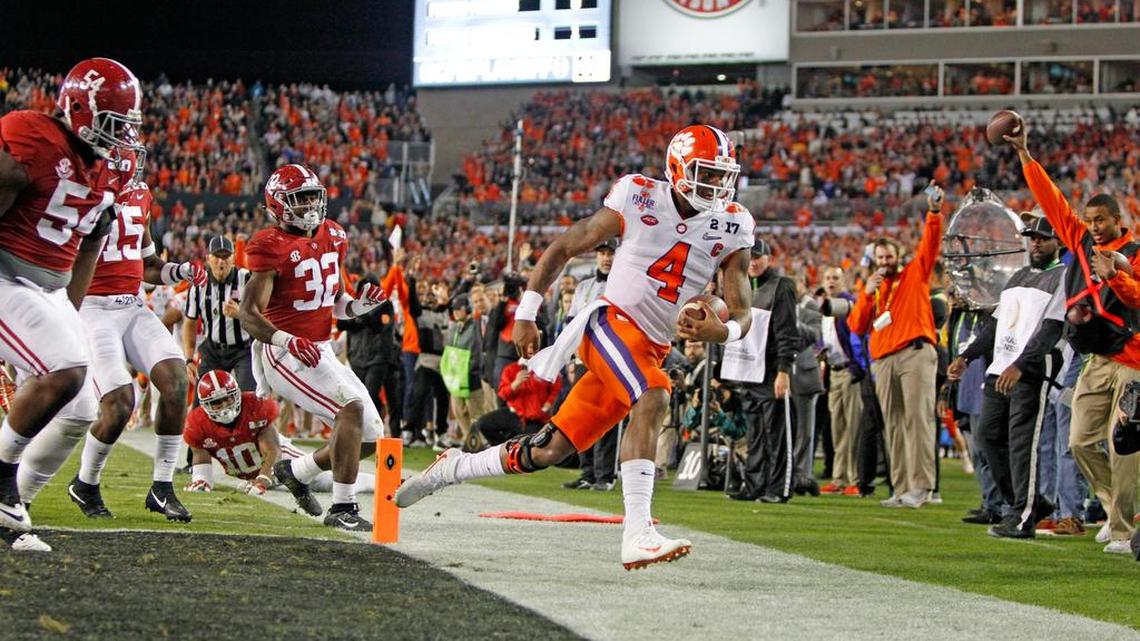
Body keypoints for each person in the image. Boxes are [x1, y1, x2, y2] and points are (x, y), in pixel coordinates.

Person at [397, 125, 755, 570]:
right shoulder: (638, 195)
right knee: (654, 395)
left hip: (650, 348)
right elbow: (564, 246)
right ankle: (638, 532)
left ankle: (453, 467)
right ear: (677, 167)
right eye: (706, 172)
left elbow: (741, 309)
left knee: (548, 451)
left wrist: (721, 332)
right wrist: (527, 313)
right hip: (609, 323)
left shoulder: (734, 223)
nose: (716, 185)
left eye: (723, 175)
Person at [19, 131, 206, 524]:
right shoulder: (81, 192)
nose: (129, 163)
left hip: (132, 304)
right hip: (91, 307)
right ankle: (85, 482)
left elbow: (149, 265)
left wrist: (181, 270)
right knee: (120, 403)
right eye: (121, 154)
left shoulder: (141, 196)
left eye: (132, 155)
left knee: (175, 381)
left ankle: (162, 486)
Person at [0, 58, 137, 549]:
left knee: (80, 406)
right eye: (112, 124)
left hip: (45, 288)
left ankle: (15, 504)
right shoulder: (30, 134)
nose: (118, 137)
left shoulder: (102, 171)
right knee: (65, 366)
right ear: (79, 109)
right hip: (4, 273)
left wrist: (64, 315)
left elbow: (88, 248)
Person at [1006, 123, 1140, 554]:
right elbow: (1051, 200)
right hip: (1095, 359)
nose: (1094, 227)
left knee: (1123, 447)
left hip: (1133, 360)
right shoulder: (1080, 242)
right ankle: (1115, 508)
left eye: (1101, 220)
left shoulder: (1134, 254)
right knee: (1080, 441)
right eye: (1089, 220)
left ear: (1119, 220)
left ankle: (1121, 530)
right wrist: (1026, 155)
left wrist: (1118, 275)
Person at [238, 164, 386, 531]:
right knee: (349, 410)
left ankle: (297, 471)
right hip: (284, 351)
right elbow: (248, 314)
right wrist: (286, 340)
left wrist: (356, 308)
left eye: (311, 197)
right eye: (298, 199)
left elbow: (333, 300)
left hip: (319, 348)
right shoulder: (268, 246)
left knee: (371, 435)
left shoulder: (333, 235)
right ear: (277, 205)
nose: (308, 206)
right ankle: (343, 508)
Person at [948, 215, 1065, 538]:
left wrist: (1022, 364)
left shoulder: (1063, 278)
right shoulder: (1018, 277)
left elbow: (1050, 331)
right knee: (986, 436)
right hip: (999, 368)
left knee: (1021, 444)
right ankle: (1027, 503)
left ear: (1060, 243)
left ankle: (1023, 516)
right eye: (1032, 237)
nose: (1036, 243)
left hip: (1028, 372)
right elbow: (995, 325)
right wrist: (966, 357)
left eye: (1043, 237)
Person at [847, 182, 945, 509]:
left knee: (916, 421)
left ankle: (922, 487)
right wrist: (865, 293)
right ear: (874, 261)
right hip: (883, 360)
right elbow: (856, 326)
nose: (885, 260)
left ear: (897, 257)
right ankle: (901, 488)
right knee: (893, 425)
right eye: (880, 257)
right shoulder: (874, 288)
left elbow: (930, 245)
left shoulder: (914, 274)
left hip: (915, 353)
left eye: (889, 256)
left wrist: (933, 212)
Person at [183, 371, 373, 503]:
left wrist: (263, 478)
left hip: (283, 460)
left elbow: (273, 450)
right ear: (206, 405)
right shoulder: (198, 423)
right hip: (255, 473)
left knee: (325, 480)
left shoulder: (254, 407)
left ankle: (380, 483)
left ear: (237, 395)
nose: (224, 405)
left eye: (228, 398)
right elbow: (200, 456)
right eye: (217, 402)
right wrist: (201, 480)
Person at [724, 240, 799, 503]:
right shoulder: (739, 286)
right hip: (747, 371)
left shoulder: (782, 286)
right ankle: (754, 485)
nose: (754, 262)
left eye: (759, 257)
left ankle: (779, 488)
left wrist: (784, 370)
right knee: (755, 433)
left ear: (769, 259)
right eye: (750, 257)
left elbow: (788, 332)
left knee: (777, 433)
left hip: (770, 372)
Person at [562, 239, 621, 491]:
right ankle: (586, 473)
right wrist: (572, 358)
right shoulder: (584, 286)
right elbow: (572, 324)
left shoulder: (624, 286)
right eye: (603, 253)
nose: (606, 258)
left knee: (607, 416)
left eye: (611, 253)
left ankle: (605, 475)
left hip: (613, 359)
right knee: (580, 415)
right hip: (585, 358)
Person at [183, 235, 253, 392]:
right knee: (202, 403)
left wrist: (241, 314)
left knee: (249, 398)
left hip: (243, 349)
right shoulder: (198, 285)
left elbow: (265, 315)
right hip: (212, 350)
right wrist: (188, 358)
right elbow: (189, 323)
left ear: (233, 258)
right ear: (209, 258)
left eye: (226, 256)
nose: (221, 261)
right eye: (217, 256)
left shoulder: (247, 279)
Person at [817, 267, 865, 496]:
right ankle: (839, 477)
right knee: (837, 428)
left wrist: (859, 366)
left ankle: (855, 478)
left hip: (850, 370)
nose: (831, 281)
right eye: (827, 278)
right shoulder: (826, 307)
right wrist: (820, 350)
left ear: (844, 281)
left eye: (835, 278)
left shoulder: (849, 305)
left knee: (853, 426)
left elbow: (857, 335)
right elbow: (824, 337)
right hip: (834, 372)